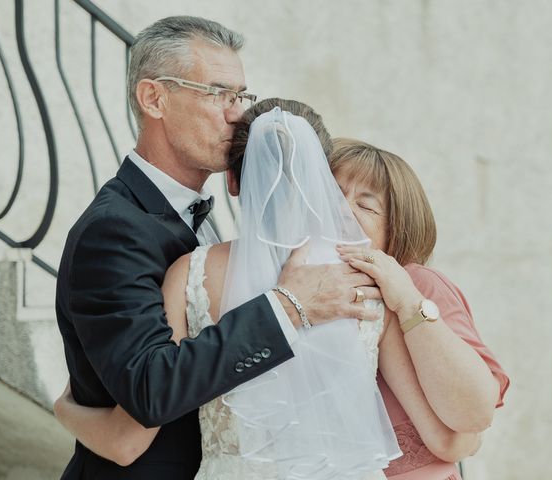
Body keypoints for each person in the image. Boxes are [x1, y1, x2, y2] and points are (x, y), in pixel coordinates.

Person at [55, 99, 509, 479]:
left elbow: (129, 439)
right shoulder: (364, 283)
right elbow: (452, 434)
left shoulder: (188, 274)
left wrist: (66, 408)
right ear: (320, 183)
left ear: (233, 181)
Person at [55, 17, 381, 480]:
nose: (238, 114)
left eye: (242, 96)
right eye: (219, 94)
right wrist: (287, 307)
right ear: (155, 99)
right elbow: (150, 388)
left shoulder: (213, 227)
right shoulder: (113, 229)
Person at [330, 139, 510, 479]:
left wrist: (407, 300)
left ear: (395, 229)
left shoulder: (417, 283)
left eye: (366, 206)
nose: (343, 210)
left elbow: (471, 417)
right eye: (333, 194)